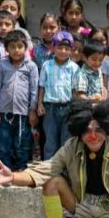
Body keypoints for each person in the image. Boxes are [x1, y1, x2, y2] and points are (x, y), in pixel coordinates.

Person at [0, 30, 38, 171]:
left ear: (25, 48)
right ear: (6, 49)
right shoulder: (2, 65)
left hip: (23, 113)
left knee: (21, 143)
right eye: (12, 47)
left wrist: (32, 110)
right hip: (4, 112)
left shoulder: (31, 66)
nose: (16, 50)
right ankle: (5, 168)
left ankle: (21, 168)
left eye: (20, 46)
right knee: (4, 143)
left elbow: (34, 89)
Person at [38, 31, 79, 159]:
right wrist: (40, 104)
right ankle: (48, 172)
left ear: (71, 50)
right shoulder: (47, 65)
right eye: (59, 47)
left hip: (67, 108)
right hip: (50, 108)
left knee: (66, 142)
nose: (63, 51)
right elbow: (42, 86)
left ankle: (64, 171)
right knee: (50, 141)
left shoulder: (74, 68)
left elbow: (74, 90)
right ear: (53, 48)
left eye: (66, 48)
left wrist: (74, 109)